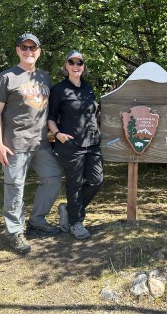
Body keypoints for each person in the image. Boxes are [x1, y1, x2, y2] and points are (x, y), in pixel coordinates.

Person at [0, 33, 62, 254]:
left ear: (39, 51)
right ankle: (14, 232)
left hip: (40, 143)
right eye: (24, 47)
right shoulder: (7, 77)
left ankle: (37, 221)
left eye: (33, 48)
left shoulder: (44, 78)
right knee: (15, 187)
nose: (28, 51)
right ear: (17, 50)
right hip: (15, 143)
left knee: (53, 178)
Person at [48, 50, 103, 239]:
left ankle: (69, 209)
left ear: (83, 67)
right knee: (75, 184)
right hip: (71, 145)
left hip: (93, 142)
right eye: (72, 62)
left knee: (96, 181)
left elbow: (93, 114)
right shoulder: (59, 90)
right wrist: (57, 134)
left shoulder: (88, 88)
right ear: (66, 66)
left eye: (79, 63)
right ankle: (75, 223)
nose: (75, 66)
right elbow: (51, 117)